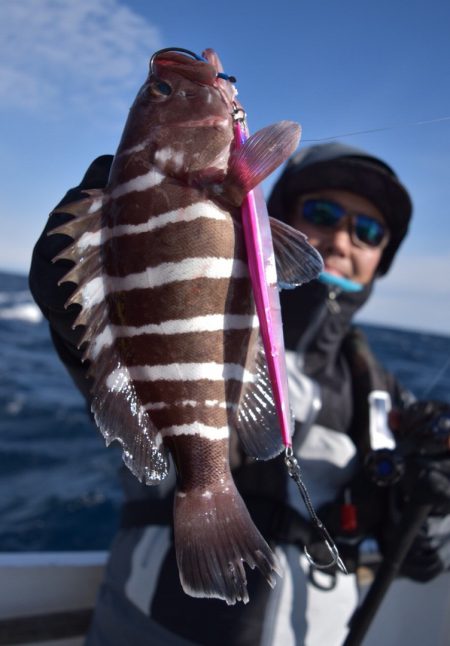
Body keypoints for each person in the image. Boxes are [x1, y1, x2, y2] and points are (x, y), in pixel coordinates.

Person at [29, 142, 450, 645]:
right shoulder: (191, 306)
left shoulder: (380, 391)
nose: (341, 238)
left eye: (368, 230)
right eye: (322, 212)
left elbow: (408, 541)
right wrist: (82, 310)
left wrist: (426, 516)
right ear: (272, 215)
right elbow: (106, 370)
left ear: (381, 258)